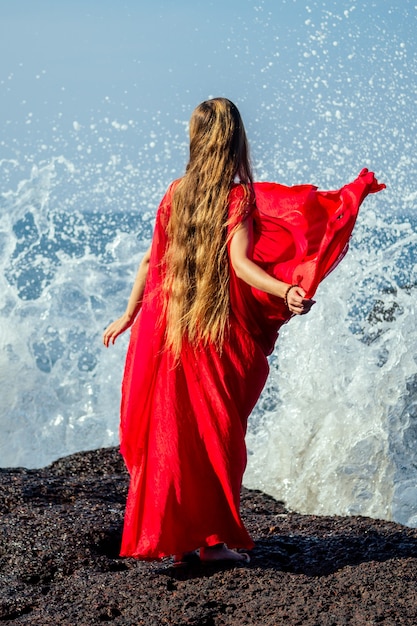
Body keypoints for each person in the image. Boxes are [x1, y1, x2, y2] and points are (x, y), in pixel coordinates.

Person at [103, 97, 385, 564]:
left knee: (175, 436)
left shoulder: (175, 192)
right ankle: (211, 545)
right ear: (235, 142)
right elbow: (242, 264)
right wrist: (287, 288)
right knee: (217, 438)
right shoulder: (237, 197)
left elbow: (149, 260)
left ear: (195, 140)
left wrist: (130, 314)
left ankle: (180, 539)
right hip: (213, 335)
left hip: (169, 329)